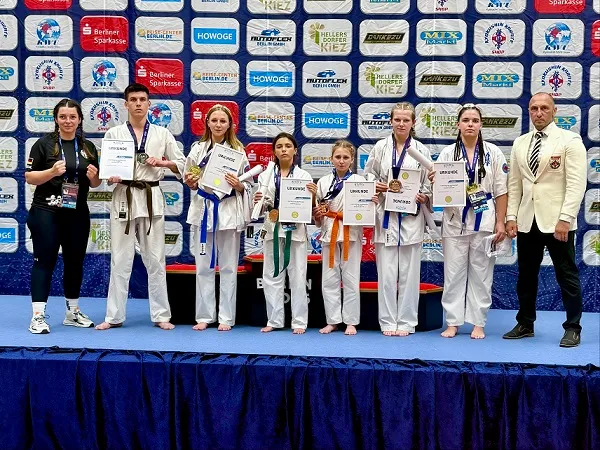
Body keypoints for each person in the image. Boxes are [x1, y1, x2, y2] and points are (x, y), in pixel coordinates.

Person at [96, 83, 185, 330]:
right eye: (133, 100)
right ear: (126, 104)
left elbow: (182, 164)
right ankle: (114, 316)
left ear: (148, 104)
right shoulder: (113, 133)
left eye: (142, 99)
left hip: (150, 195)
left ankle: (161, 315)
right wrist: (111, 176)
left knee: (155, 259)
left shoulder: (161, 133)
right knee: (120, 259)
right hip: (124, 194)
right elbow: (106, 169)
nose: (138, 104)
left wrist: (163, 163)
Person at [503, 92, 587, 347]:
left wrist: (565, 218)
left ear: (554, 111)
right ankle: (525, 323)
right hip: (527, 220)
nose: (538, 113)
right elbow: (514, 184)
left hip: (557, 222)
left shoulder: (569, 140)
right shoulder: (520, 143)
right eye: (534, 108)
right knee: (526, 276)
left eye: (544, 108)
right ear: (529, 111)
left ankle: (573, 327)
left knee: (566, 275)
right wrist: (511, 216)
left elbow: (576, 184)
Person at [430, 104, 508, 339]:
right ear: (458, 125)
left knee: (482, 274)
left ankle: (478, 322)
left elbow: (501, 190)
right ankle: (453, 322)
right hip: (455, 218)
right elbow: (440, 192)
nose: (470, 124)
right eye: (466, 120)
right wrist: (436, 181)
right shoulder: (447, 154)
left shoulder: (493, 153)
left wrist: (501, 222)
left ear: (481, 124)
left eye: (474, 120)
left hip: (485, 218)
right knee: (453, 273)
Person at [25, 98, 101, 334]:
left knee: (75, 262)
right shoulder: (43, 144)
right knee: (44, 261)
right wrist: (51, 171)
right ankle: (38, 316)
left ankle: (72, 312)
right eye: (63, 117)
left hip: (77, 213)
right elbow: (29, 177)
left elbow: (96, 184)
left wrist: (95, 178)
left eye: (72, 117)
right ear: (56, 119)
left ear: (80, 120)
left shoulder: (88, 147)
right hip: (46, 211)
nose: (68, 121)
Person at [363, 102, 433, 337]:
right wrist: (377, 186)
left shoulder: (421, 150)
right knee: (386, 274)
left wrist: (424, 196)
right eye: (397, 120)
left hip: (411, 217)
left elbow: (429, 183)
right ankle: (387, 321)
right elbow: (368, 176)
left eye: (406, 120)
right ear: (391, 121)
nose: (401, 124)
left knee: (410, 275)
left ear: (413, 123)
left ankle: (407, 321)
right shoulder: (380, 148)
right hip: (386, 217)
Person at [184, 104, 252, 331]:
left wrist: (239, 185)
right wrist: (191, 182)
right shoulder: (198, 149)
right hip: (204, 208)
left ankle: (226, 317)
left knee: (229, 267)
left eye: (223, 121)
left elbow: (249, 185)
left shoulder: (238, 151)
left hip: (228, 210)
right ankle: (204, 315)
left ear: (230, 124)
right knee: (203, 265)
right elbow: (189, 177)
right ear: (207, 122)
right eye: (214, 120)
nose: (218, 125)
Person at [253, 133, 316, 334]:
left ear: (295, 150)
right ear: (274, 151)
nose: (283, 149)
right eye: (279, 146)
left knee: (298, 276)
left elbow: (310, 208)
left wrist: (313, 196)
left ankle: (299, 321)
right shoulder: (265, 176)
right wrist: (259, 202)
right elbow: (261, 206)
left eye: (288, 146)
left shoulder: (304, 176)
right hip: (272, 228)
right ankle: (274, 320)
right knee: (271, 274)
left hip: (295, 231)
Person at [314, 140, 378, 335]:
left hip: (351, 232)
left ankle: (351, 321)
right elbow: (319, 213)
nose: (341, 161)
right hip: (330, 231)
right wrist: (317, 214)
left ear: (352, 160)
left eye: (345, 157)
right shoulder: (323, 182)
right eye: (338, 157)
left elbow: (366, 213)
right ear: (331, 159)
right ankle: (332, 320)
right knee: (329, 278)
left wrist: (372, 203)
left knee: (351, 277)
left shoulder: (360, 181)